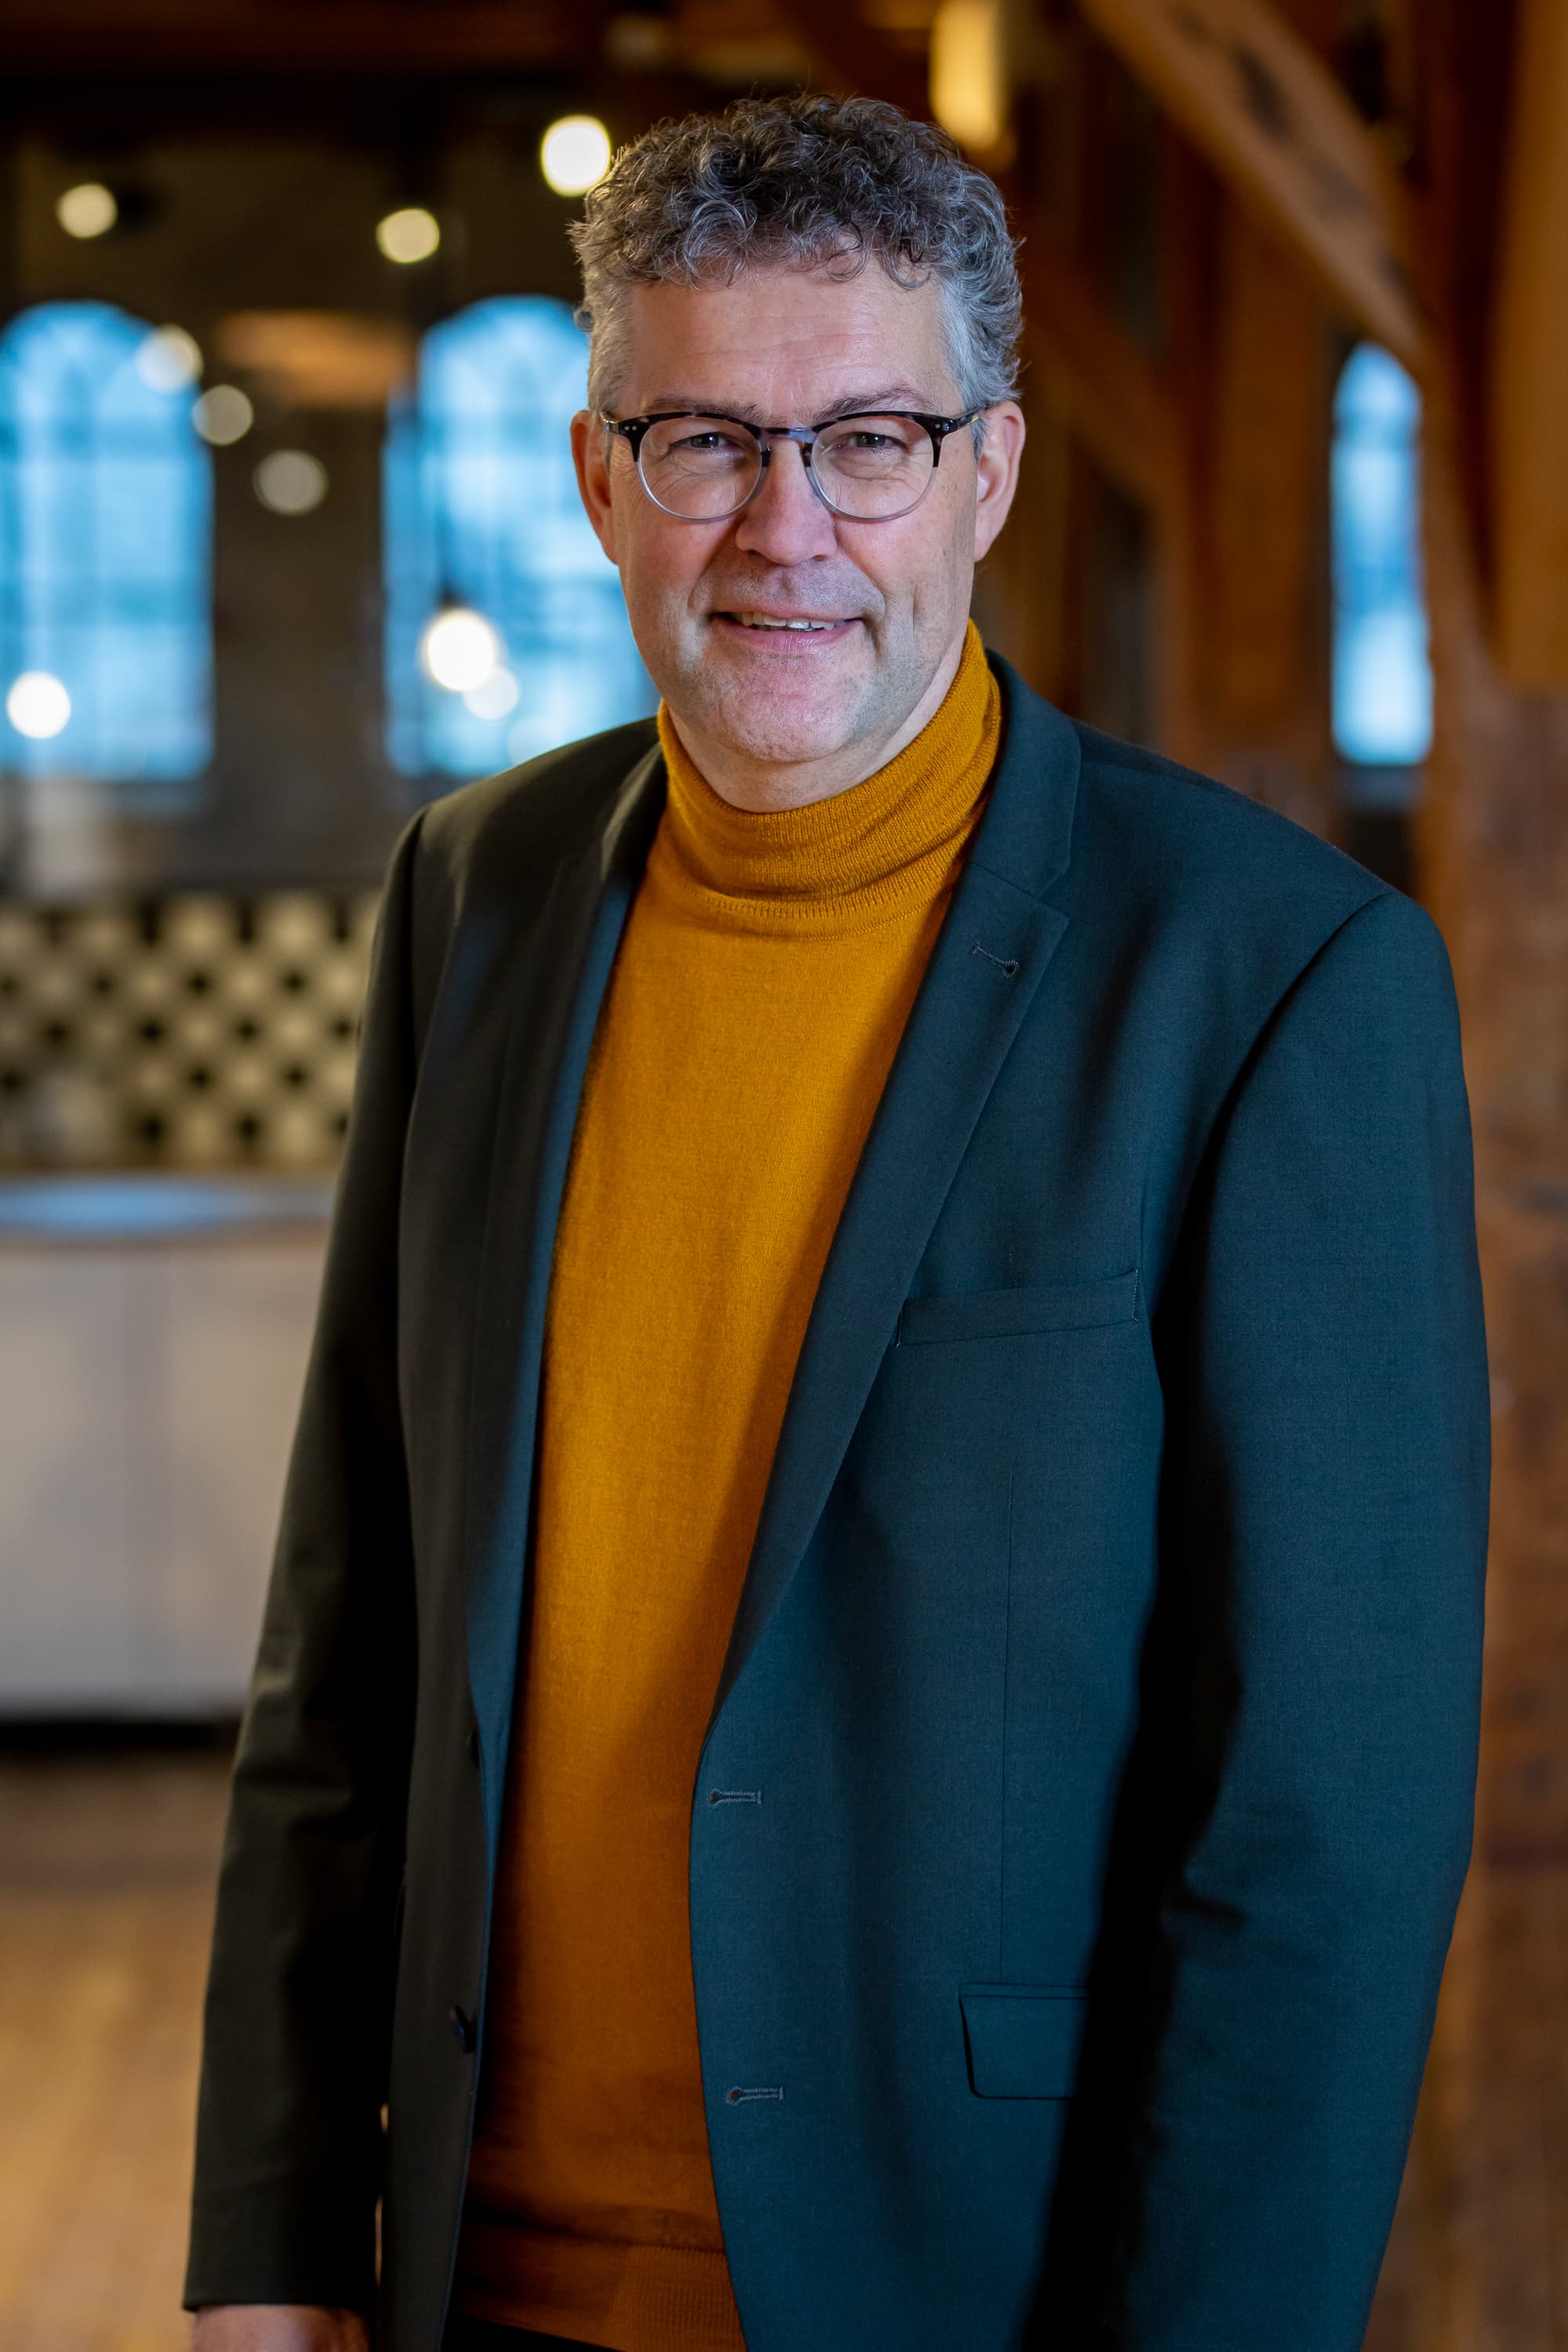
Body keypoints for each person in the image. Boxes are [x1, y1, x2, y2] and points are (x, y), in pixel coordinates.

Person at [183, 93, 1488, 2352]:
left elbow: (1318, 1835)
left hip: (958, 2278)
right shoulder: (474, 895)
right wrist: (274, 2237)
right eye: (705, 441)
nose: (786, 530)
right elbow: (351, 1633)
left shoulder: (1268, 980)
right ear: (601, 480)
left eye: (868, 440)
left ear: (985, 474)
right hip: (466, 2281)